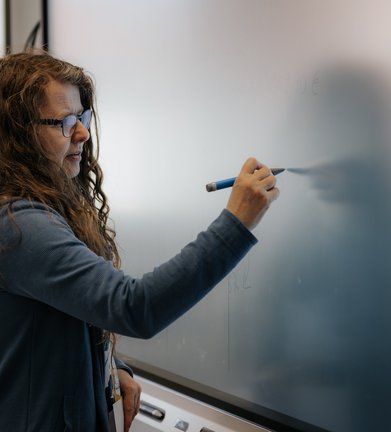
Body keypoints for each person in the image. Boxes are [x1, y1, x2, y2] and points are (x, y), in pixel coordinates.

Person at [0, 51, 280, 432]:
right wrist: (236, 222)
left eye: (82, 117)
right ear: (17, 133)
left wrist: (109, 368)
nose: (82, 132)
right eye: (65, 122)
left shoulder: (36, 209)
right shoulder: (18, 225)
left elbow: (56, 318)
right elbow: (134, 307)